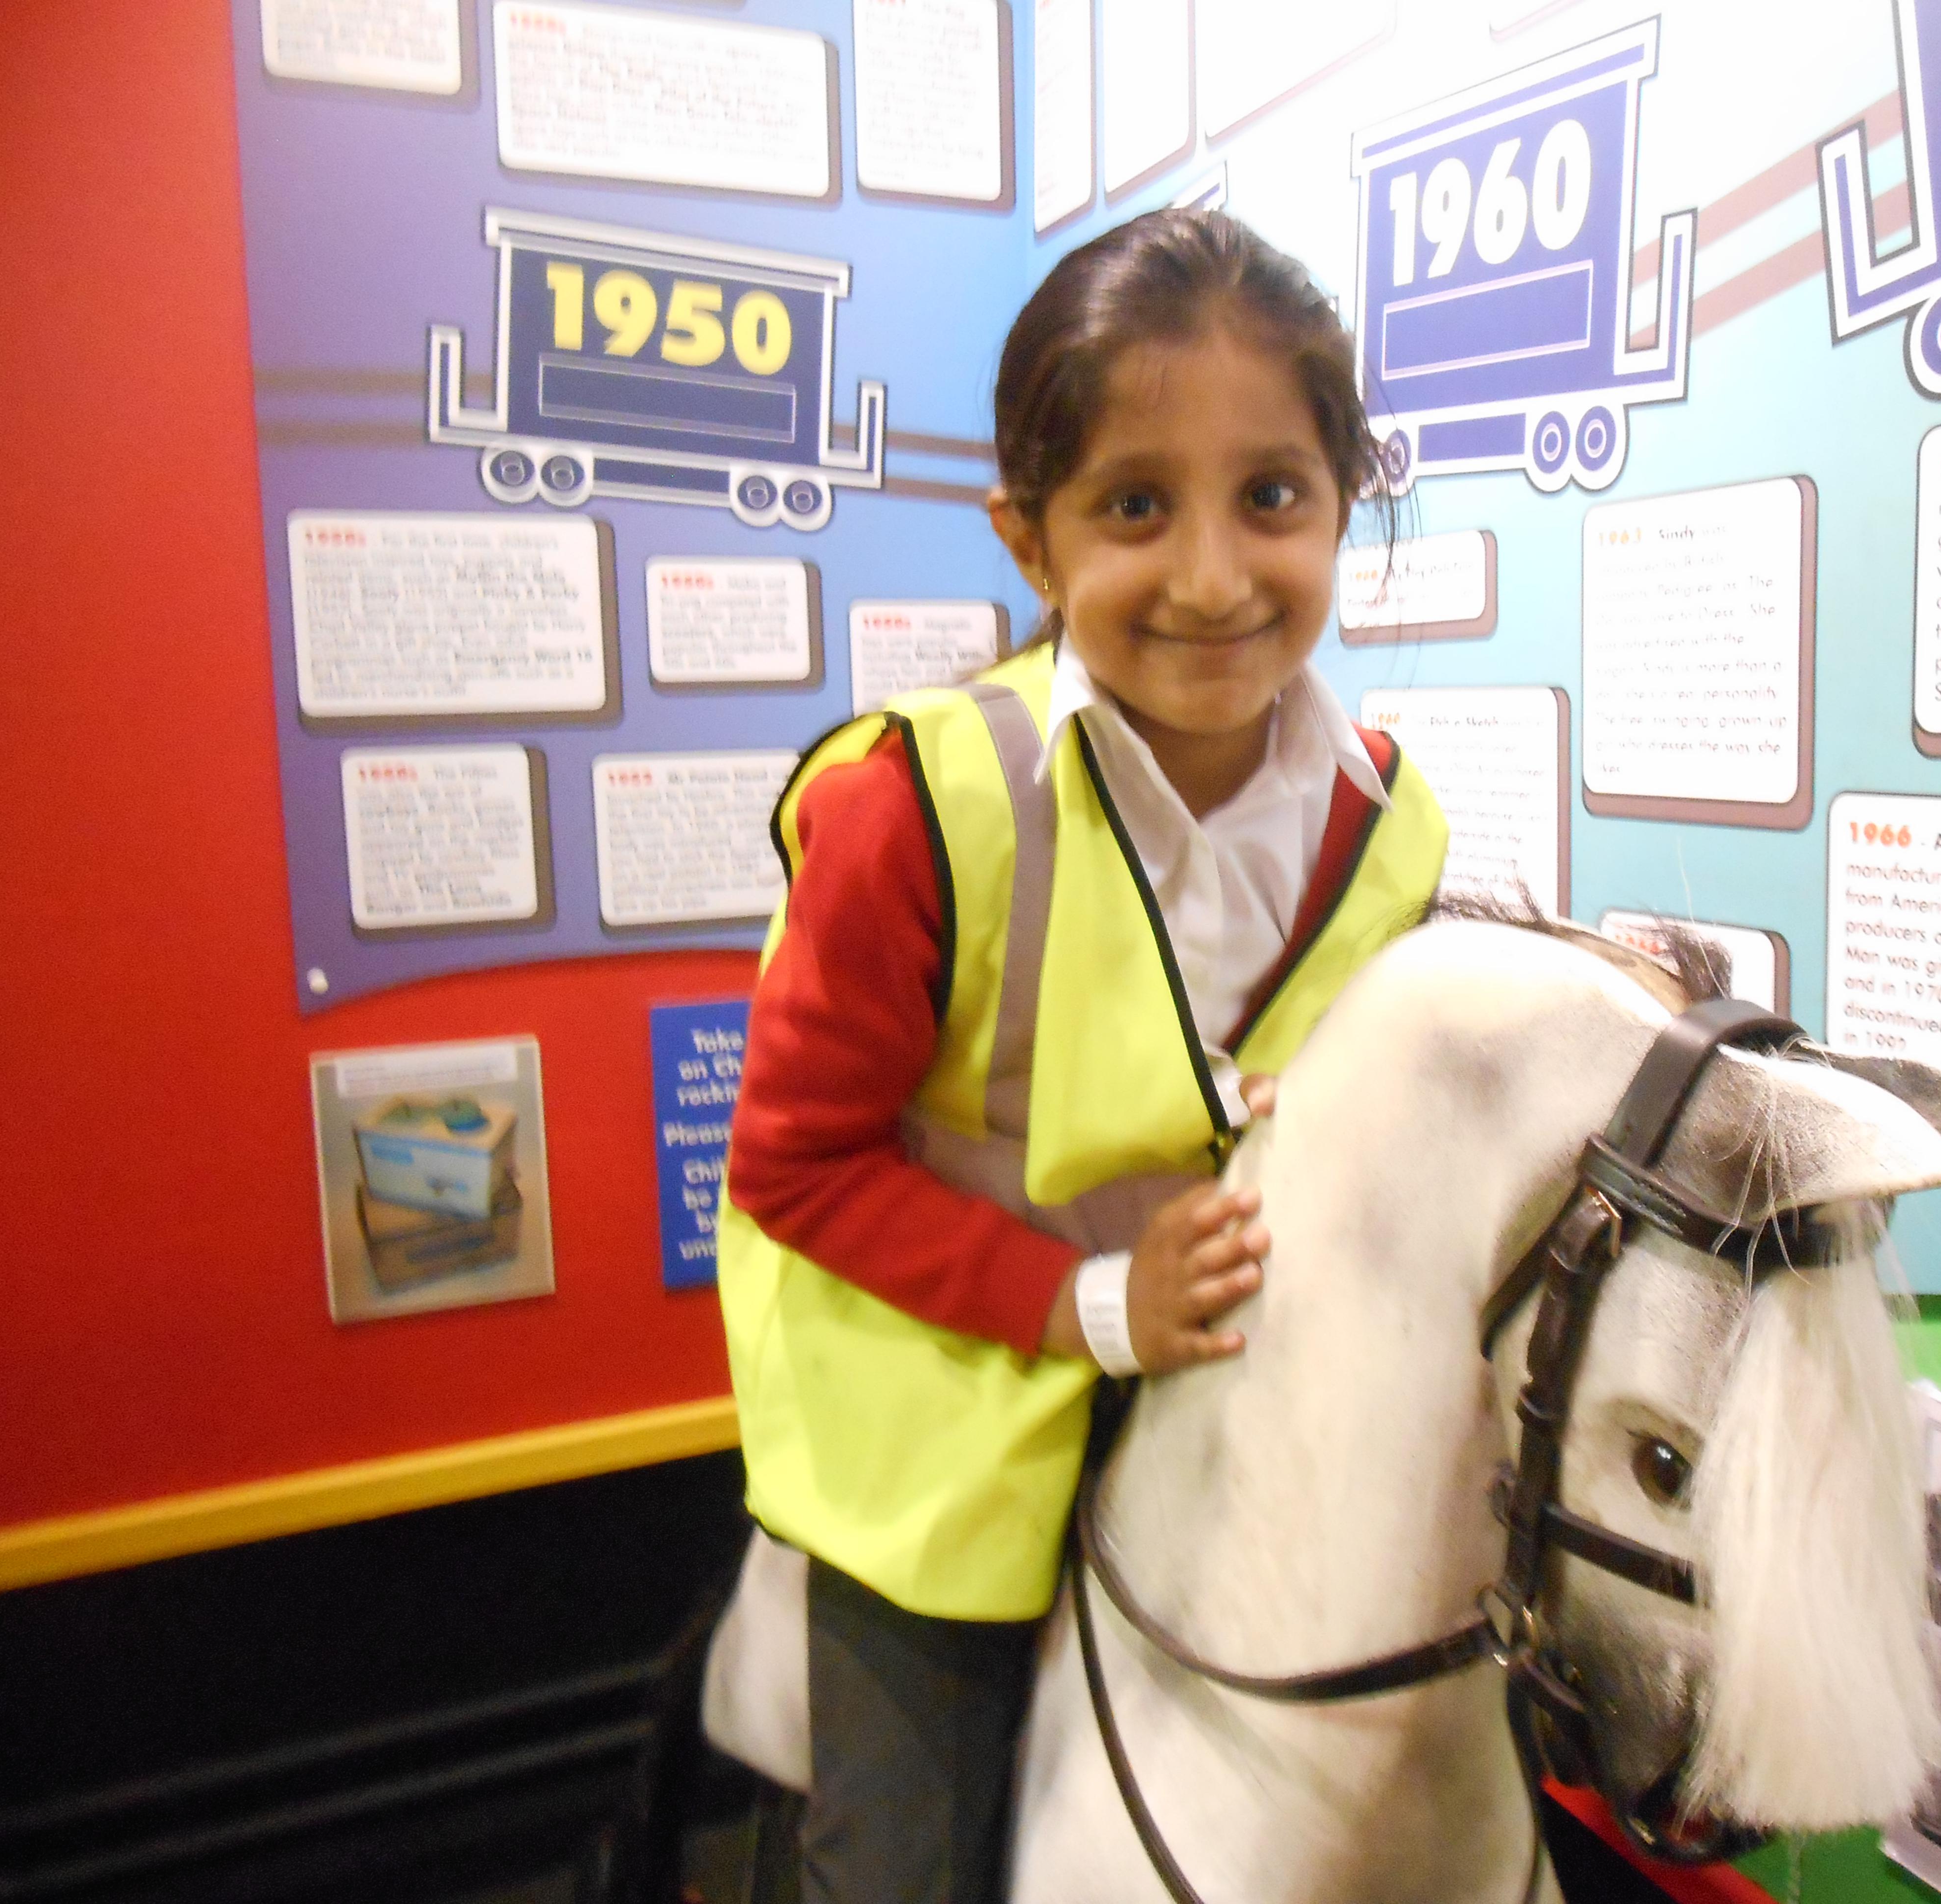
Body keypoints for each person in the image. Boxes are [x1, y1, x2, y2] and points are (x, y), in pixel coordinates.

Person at [715, 208, 1449, 1904]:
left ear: (1345, 499)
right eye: (1134, 507)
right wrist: (1092, 1305)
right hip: (943, 1443)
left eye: (1272, 496)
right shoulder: (917, 805)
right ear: (1028, 542)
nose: (1213, 578)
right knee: (905, 1870)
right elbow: (793, 1166)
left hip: (1239, 1420)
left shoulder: (1391, 821)